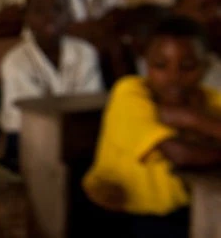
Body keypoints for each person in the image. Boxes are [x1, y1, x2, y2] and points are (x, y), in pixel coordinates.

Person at [84, 16, 221, 238]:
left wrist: (190, 117)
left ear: (205, 67)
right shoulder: (130, 93)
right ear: (145, 64)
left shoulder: (210, 99)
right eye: (160, 65)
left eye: (187, 66)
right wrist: (198, 121)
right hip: (126, 215)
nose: (173, 77)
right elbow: (181, 155)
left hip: (181, 211)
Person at [0, 0, 102, 166]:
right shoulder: (16, 61)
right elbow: (31, 117)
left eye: (58, 9)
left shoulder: (84, 52)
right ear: (26, 18)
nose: (49, 16)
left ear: (69, 16)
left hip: (78, 135)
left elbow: (90, 105)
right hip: (27, 139)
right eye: (39, 10)